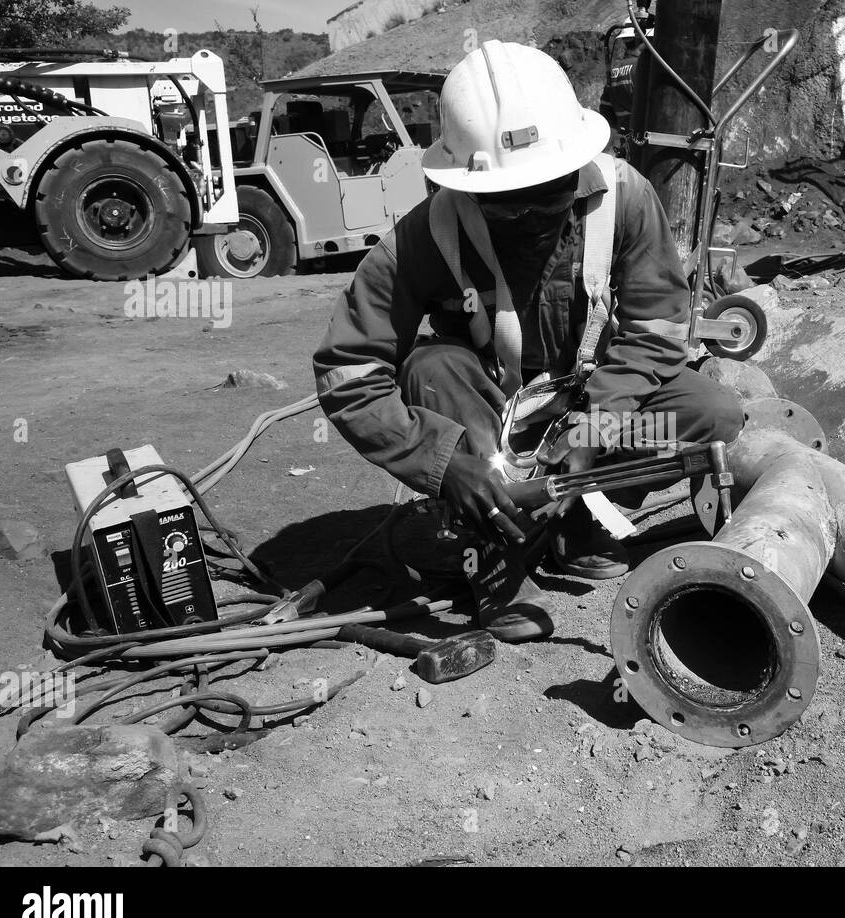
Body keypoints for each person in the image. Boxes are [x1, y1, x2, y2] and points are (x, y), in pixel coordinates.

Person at [313, 40, 742, 642]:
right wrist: (440, 465)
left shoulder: (625, 199)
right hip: (486, 413)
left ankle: (578, 522)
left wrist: (596, 429)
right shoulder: (422, 238)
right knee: (433, 365)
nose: (534, 216)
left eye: (549, 191)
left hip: (585, 405)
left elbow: (656, 328)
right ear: (467, 186)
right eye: (509, 205)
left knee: (707, 411)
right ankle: (495, 552)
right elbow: (349, 371)